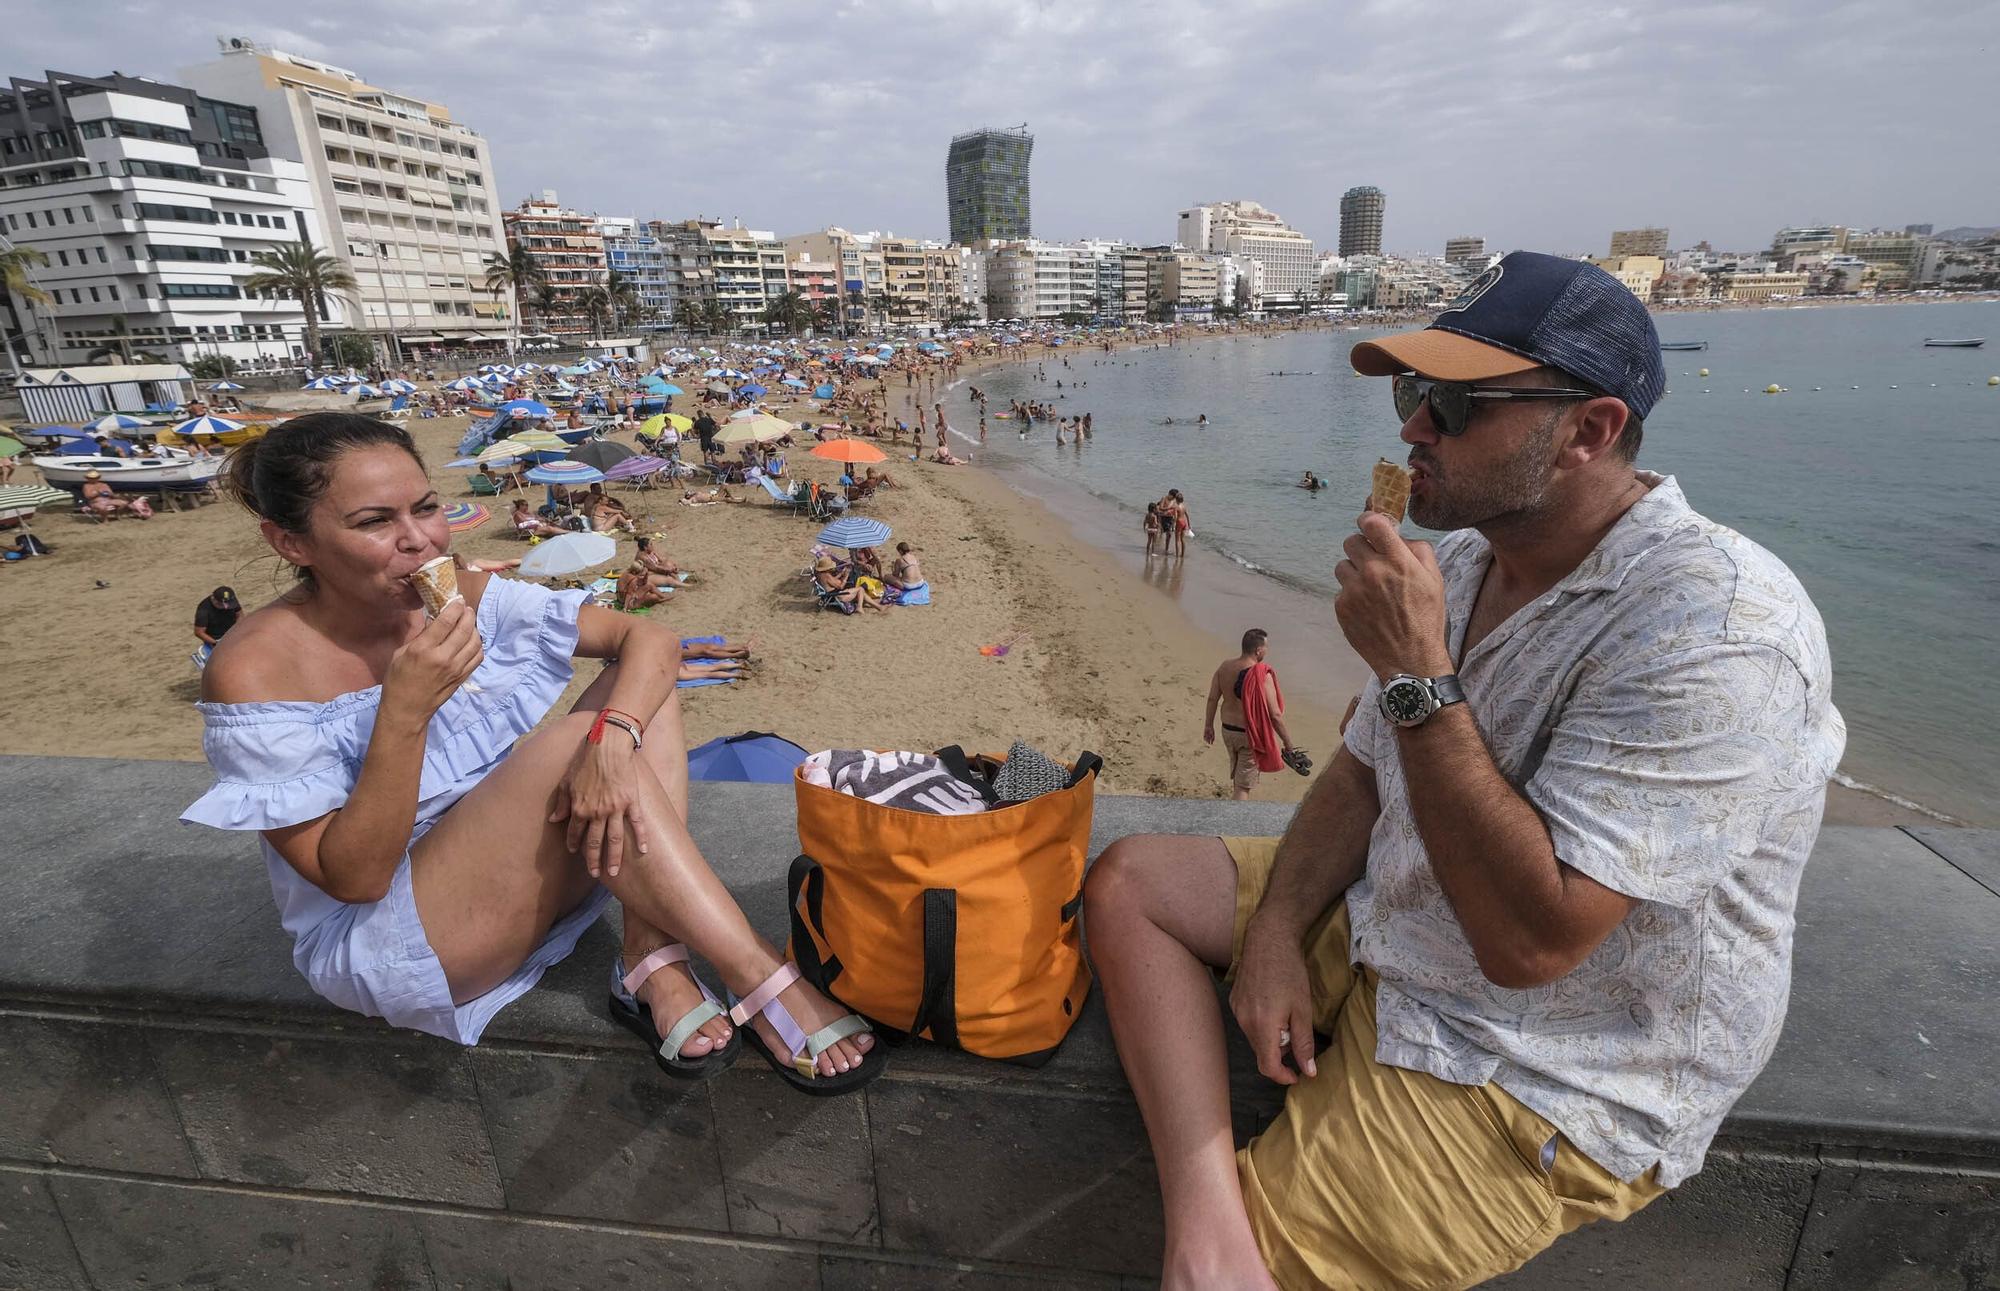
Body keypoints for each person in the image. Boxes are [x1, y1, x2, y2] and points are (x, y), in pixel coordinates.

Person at [1084, 252, 1845, 1288]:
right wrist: (1269, 935)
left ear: (1587, 432)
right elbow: (1357, 775)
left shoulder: (1718, 634)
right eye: (1409, 392)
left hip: (1538, 1066)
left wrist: (1411, 669)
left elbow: (1531, 942)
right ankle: (1207, 1209)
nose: (1409, 429)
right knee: (1131, 883)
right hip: (1395, 934)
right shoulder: (1465, 561)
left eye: (1450, 404)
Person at [182, 413, 883, 1093]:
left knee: (640, 698)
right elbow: (356, 877)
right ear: (291, 542)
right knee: (584, 734)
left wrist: (613, 743)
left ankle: (647, 952)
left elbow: (652, 642)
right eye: (373, 522)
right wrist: (404, 711)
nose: (418, 541)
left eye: (425, 508)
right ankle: (759, 975)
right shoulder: (254, 670)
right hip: (393, 936)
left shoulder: (458, 589)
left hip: (506, 863)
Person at [813, 555, 882, 613]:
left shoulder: (820, 575)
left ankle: (879, 607)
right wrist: (846, 576)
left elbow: (832, 581)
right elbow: (840, 586)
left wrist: (841, 574)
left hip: (828, 596)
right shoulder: (827, 576)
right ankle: (860, 607)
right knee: (860, 589)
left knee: (861, 593)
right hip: (836, 596)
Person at [193, 587, 242, 662]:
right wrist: (215, 643)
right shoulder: (203, 610)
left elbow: (239, 615)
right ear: (214, 600)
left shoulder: (230, 600)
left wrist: (238, 629)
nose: (227, 608)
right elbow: (199, 632)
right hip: (216, 638)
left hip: (233, 631)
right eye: (223, 605)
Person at [81, 470, 149, 519]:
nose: (93, 479)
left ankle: (118, 514)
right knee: (102, 507)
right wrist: (98, 493)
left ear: (98, 478)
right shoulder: (86, 486)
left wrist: (108, 493)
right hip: (96, 502)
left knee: (123, 503)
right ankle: (105, 520)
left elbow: (111, 493)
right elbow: (88, 496)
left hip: (108, 499)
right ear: (88, 479)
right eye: (91, 478)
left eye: (95, 478)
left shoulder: (103, 484)